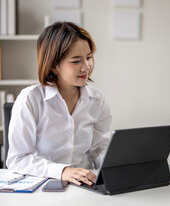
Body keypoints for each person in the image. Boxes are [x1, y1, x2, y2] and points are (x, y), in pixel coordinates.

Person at [6, 22, 112, 186]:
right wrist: (62, 171)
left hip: (85, 185)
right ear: (54, 65)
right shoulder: (30, 99)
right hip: (42, 186)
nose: (87, 67)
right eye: (76, 61)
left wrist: (115, 164)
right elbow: (18, 159)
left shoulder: (98, 99)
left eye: (89, 57)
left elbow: (98, 148)